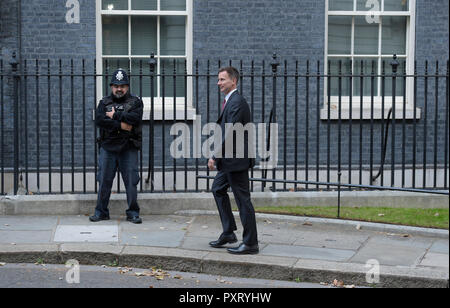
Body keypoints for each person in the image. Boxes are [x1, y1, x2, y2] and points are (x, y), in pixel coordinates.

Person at [208, 66, 259, 255]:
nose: (218, 83)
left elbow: (230, 133)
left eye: (222, 79)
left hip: (236, 161)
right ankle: (229, 233)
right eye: (218, 79)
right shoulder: (230, 101)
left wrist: (215, 156)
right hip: (229, 160)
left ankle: (251, 243)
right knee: (218, 189)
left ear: (233, 81)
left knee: (243, 201)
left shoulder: (237, 102)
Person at [90, 69, 143, 224]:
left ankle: (133, 212)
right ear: (111, 86)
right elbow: (100, 121)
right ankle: (101, 212)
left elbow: (135, 118)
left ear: (127, 86)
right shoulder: (104, 102)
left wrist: (114, 116)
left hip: (128, 147)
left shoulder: (136, 102)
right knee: (104, 181)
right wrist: (122, 125)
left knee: (131, 182)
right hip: (108, 147)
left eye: (123, 86)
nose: (119, 89)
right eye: (116, 86)